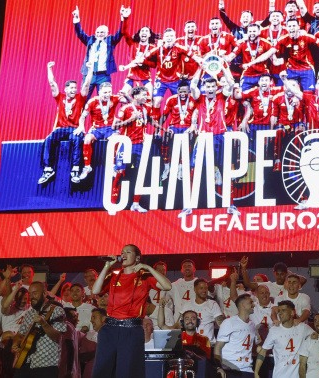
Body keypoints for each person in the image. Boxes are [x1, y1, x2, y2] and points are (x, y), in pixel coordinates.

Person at [89, 244, 172, 378]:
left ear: (137, 258)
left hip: (131, 329)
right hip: (110, 329)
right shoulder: (113, 277)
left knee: (127, 372)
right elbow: (95, 291)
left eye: (128, 252)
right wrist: (106, 266)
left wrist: (149, 268)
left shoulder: (144, 277)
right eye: (122, 252)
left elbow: (167, 286)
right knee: (102, 371)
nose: (123, 255)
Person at [179, 64, 238, 218]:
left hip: (220, 136)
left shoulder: (222, 96)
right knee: (194, 171)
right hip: (204, 138)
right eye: (208, 86)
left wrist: (224, 65)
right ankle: (189, 206)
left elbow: (231, 84)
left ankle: (231, 205)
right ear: (204, 87)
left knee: (227, 171)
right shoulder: (199, 98)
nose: (210, 89)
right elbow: (192, 85)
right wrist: (200, 67)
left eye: (213, 86)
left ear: (216, 87)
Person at [37, 61, 94, 185]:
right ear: (66, 89)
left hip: (74, 128)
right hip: (60, 128)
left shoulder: (80, 97)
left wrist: (90, 70)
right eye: (71, 88)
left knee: (77, 139)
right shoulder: (60, 97)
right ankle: (48, 170)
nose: (74, 89)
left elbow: (87, 84)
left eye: (75, 87)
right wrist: (49, 68)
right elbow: (52, 83)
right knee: (48, 140)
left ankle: (75, 170)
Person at [110, 86, 157, 213]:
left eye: (146, 94)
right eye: (143, 95)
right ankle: (113, 205)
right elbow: (115, 126)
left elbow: (151, 121)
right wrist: (131, 120)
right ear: (136, 96)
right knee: (120, 173)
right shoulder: (125, 109)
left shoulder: (146, 108)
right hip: (126, 144)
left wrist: (162, 129)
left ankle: (135, 204)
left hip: (140, 145)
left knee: (140, 175)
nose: (146, 97)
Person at [72, 5, 131, 96]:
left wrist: (124, 18)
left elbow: (121, 32)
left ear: (107, 34)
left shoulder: (110, 41)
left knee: (104, 98)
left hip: (103, 75)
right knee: (84, 98)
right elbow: (80, 33)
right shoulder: (90, 40)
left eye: (102, 32)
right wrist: (76, 20)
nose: (99, 34)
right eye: (98, 32)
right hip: (89, 74)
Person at [75, 82, 128, 183]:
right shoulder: (92, 102)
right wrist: (81, 126)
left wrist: (126, 95)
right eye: (105, 92)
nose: (107, 94)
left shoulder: (115, 98)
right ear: (99, 92)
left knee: (116, 139)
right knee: (87, 139)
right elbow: (82, 117)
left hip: (110, 128)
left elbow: (130, 102)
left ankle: (113, 166)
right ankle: (87, 167)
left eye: (109, 92)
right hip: (97, 129)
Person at [11, 282, 67, 377]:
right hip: (26, 361)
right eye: (30, 293)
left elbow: (57, 337)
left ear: (45, 294)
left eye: (35, 293)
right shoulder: (29, 314)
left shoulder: (56, 311)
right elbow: (20, 335)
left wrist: (43, 324)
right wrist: (16, 343)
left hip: (46, 364)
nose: (32, 296)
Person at [256, 300, 313, 378]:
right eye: (279, 311)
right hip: (279, 375)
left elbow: (318, 337)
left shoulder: (302, 328)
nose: (280, 313)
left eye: (283, 310)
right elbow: (263, 351)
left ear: (292, 312)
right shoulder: (274, 330)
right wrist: (256, 372)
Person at [158, 81, 197, 181]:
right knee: (166, 136)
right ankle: (166, 167)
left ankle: (181, 167)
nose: (183, 94)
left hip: (187, 127)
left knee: (190, 137)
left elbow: (197, 116)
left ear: (189, 90)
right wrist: (159, 129)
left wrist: (193, 127)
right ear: (177, 91)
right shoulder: (171, 100)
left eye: (185, 91)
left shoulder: (194, 99)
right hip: (174, 127)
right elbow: (164, 115)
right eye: (180, 91)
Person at [214, 294, 257, 377]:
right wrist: (219, 367)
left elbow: (252, 347)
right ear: (243, 305)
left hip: (248, 370)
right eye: (251, 302)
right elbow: (218, 347)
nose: (254, 305)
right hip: (231, 369)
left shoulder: (252, 324)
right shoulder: (229, 322)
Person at [178, 278, 225, 342]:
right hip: (190, 343)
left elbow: (221, 325)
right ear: (195, 289)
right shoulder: (187, 304)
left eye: (206, 288)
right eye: (201, 288)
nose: (204, 290)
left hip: (208, 344)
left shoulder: (212, 304)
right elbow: (178, 324)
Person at [232, 23, 273, 91]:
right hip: (247, 74)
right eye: (250, 31)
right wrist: (224, 57)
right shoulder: (243, 43)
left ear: (259, 32)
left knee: (267, 94)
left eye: (254, 31)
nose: (252, 33)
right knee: (242, 97)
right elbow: (232, 56)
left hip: (262, 74)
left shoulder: (265, 43)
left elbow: (273, 56)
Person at [120, 26, 158, 97]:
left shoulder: (153, 48)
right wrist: (125, 18)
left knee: (151, 98)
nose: (144, 32)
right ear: (139, 34)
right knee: (122, 97)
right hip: (131, 76)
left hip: (145, 78)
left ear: (150, 35)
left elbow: (154, 65)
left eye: (146, 31)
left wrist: (143, 62)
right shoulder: (133, 44)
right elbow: (124, 32)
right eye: (142, 31)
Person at [259, 11, 289, 86]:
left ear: (282, 19)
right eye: (273, 16)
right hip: (266, 64)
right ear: (269, 19)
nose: (275, 18)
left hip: (282, 65)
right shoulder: (262, 31)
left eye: (277, 16)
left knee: (281, 88)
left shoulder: (287, 31)